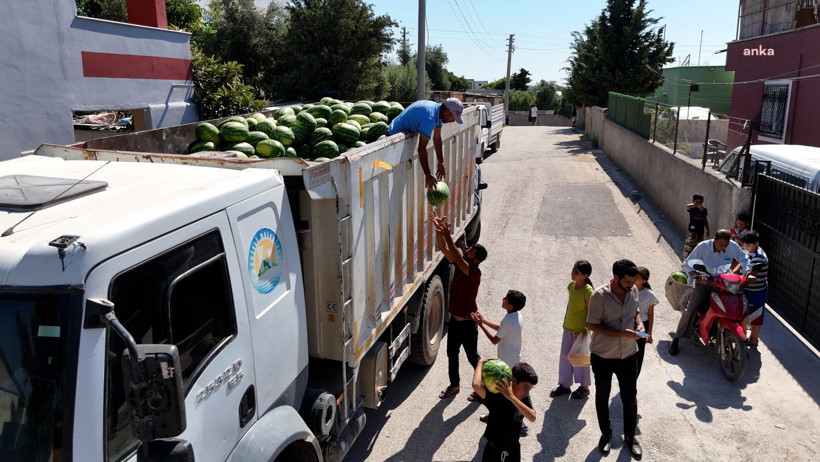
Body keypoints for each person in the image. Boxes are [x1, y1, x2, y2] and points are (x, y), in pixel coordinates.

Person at [586, 259, 644, 459]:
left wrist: (640, 324)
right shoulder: (599, 296)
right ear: (616, 278)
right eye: (627, 281)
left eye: (633, 280)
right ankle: (606, 435)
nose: (631, 284)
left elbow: (635, 311)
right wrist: (622, 333)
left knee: (630, 397)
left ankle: (630, 437)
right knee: (602, 396)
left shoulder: (633, 291)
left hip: (628, 354)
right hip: (603, 355)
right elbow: (592, 325)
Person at [430, 211, 488, 400]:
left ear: (476, 259)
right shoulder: (462, 265)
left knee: (473, 357)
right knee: (451, 353)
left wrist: (448, 233)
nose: (468, 250)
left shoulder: (473, 272)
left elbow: (454, 251)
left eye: (472, 251)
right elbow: (443, 248)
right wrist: (440, 231)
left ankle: (483, 388)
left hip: (467, 324)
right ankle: (454, 385)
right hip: (455, 322)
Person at [669, 230, 751, 356]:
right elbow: (686, 264)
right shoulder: (703, 247)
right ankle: (677, 339)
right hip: (705, 282)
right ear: (714, 240)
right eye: (720, 244)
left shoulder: (732, 246)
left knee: (735, 305)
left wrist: (747, 272)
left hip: (724, 281)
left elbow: (744, 259)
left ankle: (733, 336)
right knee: (691, 309)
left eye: (725, 245)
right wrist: (698, 275)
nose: (723, 247)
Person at [388, 98, 464, 190]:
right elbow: (421, 148)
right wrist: (427, 175)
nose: (453, 121)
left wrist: (441, 162)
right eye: (454, 117)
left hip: (401, 134)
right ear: (447, 112)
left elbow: (437, 138)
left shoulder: (438, 111)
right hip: (393, 139)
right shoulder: (430, 118)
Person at [472, 360, 537, 462]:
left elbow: (532, 417)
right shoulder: (497, 396)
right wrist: (480, 362)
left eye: (530, 389)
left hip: (513, 449)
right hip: (494, 450)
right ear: (513, 381)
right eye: (525, 387)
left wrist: (511, 397)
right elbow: (476, 385)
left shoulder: (523, 397)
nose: (527, 392)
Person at [550, 260, 593, 400]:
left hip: (581, 333)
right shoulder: (571, 286)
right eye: (573, 270)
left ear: (585, 276)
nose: (572, 273)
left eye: (576, 272)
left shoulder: (588, 291)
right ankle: (564, 385)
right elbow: (570, 305)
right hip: (568, 329)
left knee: (580, 360)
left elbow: (591, 313)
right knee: (565, 358)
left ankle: (584, 388)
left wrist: (585, 331)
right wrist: (565, 322)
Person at [472, 290, 526, 367]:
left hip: (507, 362)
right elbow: (501, 329)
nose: (503, 299)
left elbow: (494, 340)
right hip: (513, 358)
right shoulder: (517, 315)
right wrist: (483, 320)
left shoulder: (508, 321)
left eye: (506, 299)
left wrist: (481, 325)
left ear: (511, 306)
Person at [739, 231, 768, 346]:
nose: (746, 247)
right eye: (745, 245)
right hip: (746, 289)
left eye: (749, 245)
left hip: (756, 291)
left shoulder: (760, 257)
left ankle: (753, 340)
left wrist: (740, 278)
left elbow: (751, 273)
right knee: (743, 314)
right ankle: (743, 337)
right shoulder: (749, 250)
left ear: (756, 244)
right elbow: (743, 261)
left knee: (755, 315)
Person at [634, 267, 659, 378]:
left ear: (643, 281)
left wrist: (649, 334)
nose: (634, 278)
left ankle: (634, 378)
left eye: (637, 277)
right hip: (629, 324)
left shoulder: (649, 295)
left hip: (642, 326)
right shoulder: (629, 289)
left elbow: (651, 315)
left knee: (639, 354)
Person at [683, 194, 710, 259]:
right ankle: (685, 264)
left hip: (700, 232)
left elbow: (705, 220)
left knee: (698, 248)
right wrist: (696, 205)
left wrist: (707, 230)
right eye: (697, 201)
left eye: (700, 202)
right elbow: (687, 206)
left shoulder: (704, 210)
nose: (699, 203)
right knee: (688, 248)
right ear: (693, 201)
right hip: (692, 232)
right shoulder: (692, 208)